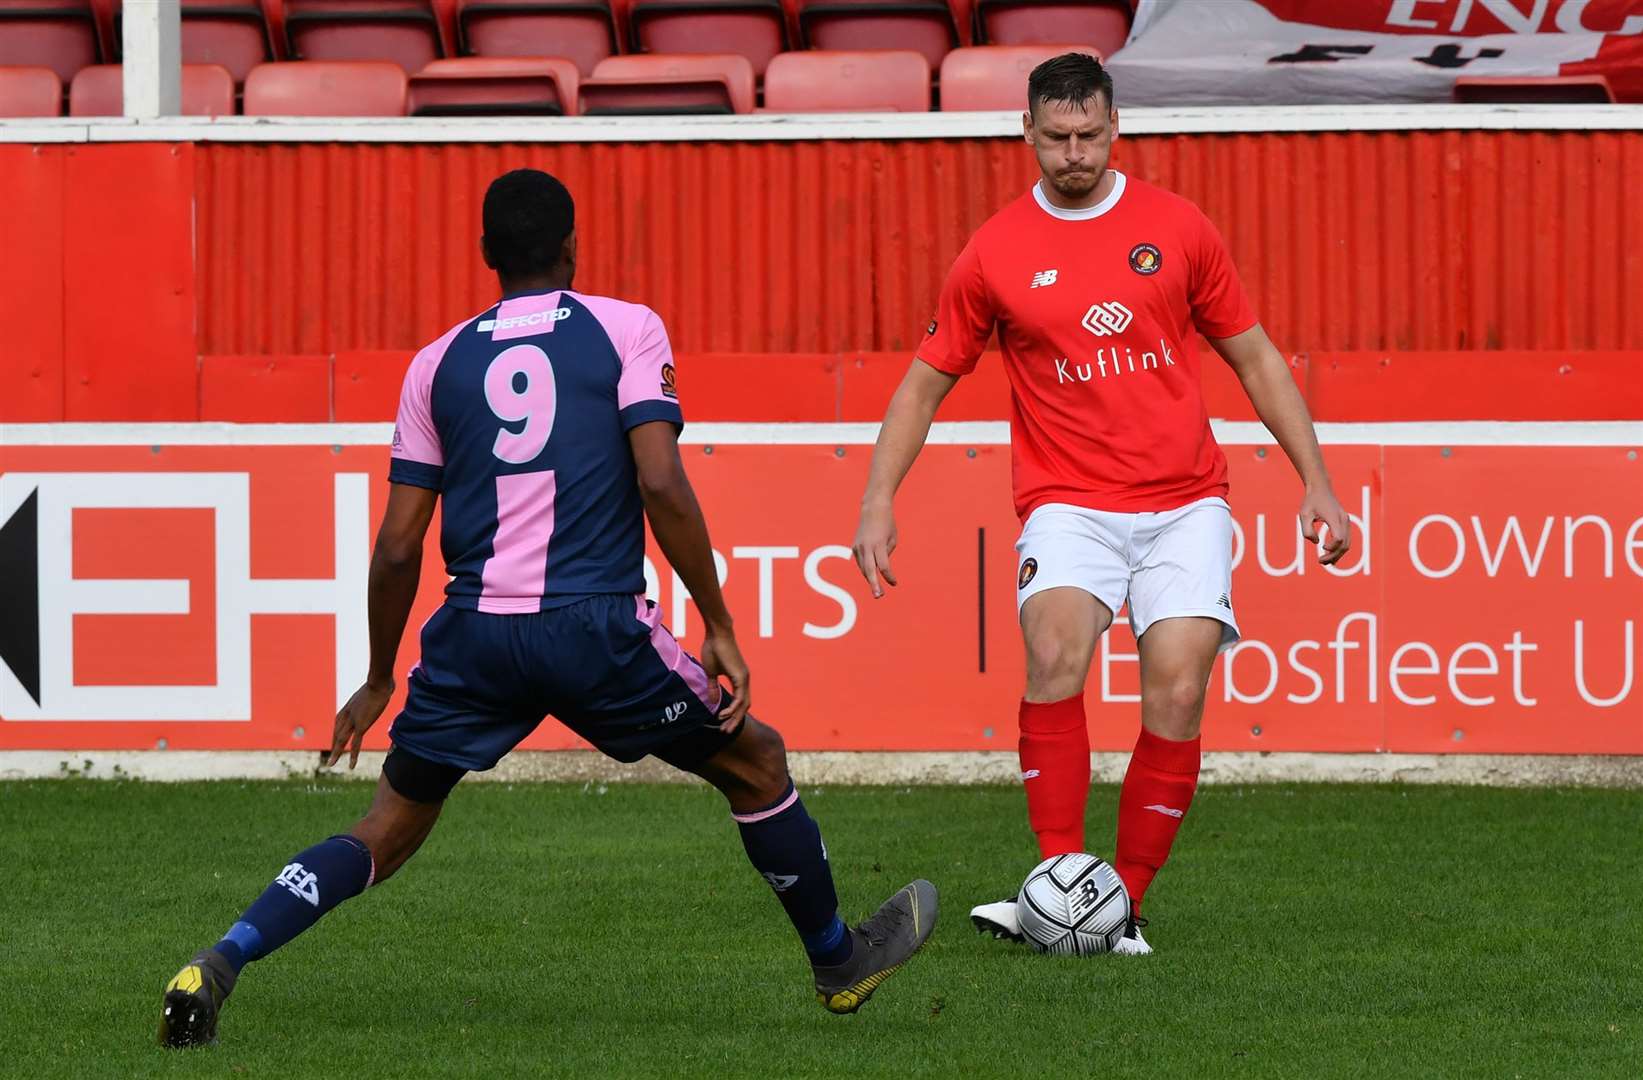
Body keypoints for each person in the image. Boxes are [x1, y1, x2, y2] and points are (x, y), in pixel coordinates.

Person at [159, 169, 936, 1047]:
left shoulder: (437, 362)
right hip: (591, 625)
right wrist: (716, 621)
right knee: (755, 762)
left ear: (487, 256)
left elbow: (398, 545)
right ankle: (838, 960)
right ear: (571, 246)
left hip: (474, 637)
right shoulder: (625, 327)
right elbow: (659, 479)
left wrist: (379, 676)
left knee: (387, 826)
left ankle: (222, 958)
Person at [851, 54, 1349, 955]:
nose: (1073, 154)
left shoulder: (1177, 228)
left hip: (1185, 501)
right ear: (1027, 134)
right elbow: (924, 385)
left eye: (1088, 136)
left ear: (1114, 128)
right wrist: (878, 498)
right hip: (1066, 501)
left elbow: (1257, 359)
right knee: (1052, 657)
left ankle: (1125, 905)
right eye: (1055, 138)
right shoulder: (993, 252)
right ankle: (1056, 881)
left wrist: (1315, 479)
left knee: (1180, 688)